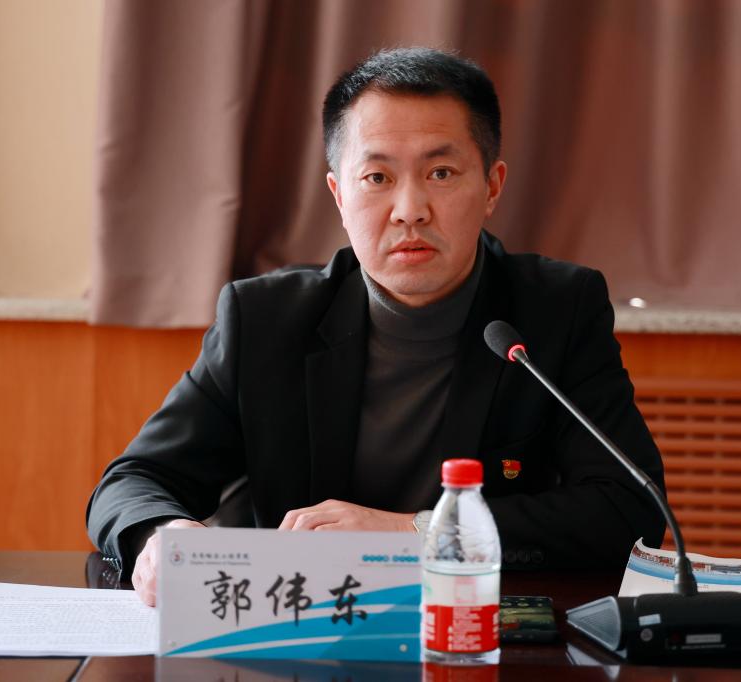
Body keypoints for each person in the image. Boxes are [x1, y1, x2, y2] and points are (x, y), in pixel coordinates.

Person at [87, 47, 666, 607]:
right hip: (293, 630)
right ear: (339, 195)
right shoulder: (265, 319)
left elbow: (628, 508)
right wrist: (159, 537)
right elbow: (135, 480)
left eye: (441, 172)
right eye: (377, 177)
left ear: (492, 187)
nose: (410, 209)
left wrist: (413, 531)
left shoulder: (556, 310)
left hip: (469, 631)